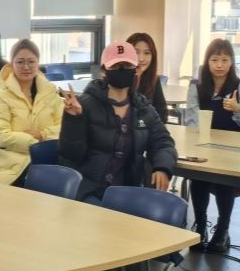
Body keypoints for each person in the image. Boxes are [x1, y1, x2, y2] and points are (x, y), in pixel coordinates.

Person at [59, 41, 176, 202]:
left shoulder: (143, 109)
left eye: (127, 66)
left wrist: (162, 167)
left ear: (136, 70)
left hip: (127, 192)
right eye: (115, 66)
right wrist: (73, 120)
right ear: (103, 71)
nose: (122, 70)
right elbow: (70, 155)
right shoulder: (83, 105)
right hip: (89, 190)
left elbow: (163, 142)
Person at [184, 38, 240, 254]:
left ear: (232, 62)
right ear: (207, 61)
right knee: (199, 178)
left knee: (224, 180)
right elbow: (191, 120)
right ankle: (200, 226)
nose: (219, 65)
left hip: (232, 149)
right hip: (203, 145)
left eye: (225, 60)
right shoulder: (196, 86)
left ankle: (222, 230)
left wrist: (237, 109)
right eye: (214, 60)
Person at [0, 40, 62, 185]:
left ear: (38, 63)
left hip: (50, 162)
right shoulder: (1, 96)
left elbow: (64, 129)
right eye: (20, 62)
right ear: (11, 65)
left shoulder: (51, 93)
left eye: (31, 62)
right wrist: (37, 146)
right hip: (13, 166)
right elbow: (0, 136)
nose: (26, 67)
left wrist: (42, 134)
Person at [127, 32, 169, 123]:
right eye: (136, 52)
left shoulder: (154, 80)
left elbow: (162, 114)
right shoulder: (119, 79)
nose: (141, 59)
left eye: (147, 53)